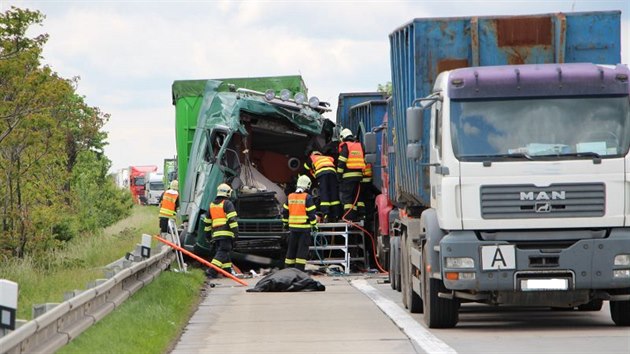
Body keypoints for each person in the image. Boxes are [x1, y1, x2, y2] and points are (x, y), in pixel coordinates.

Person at [281, 175, 318, 271]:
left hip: (293, 229)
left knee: (291, 250)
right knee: (302, 251)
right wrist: (314, 226)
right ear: (307, 186)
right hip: (304, 229)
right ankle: (299, 272)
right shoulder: (307, 197)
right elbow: (311, 214)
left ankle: (288, 270)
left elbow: (285, 213)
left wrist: (285, 225)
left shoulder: (290, 196)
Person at [203, 183, 239, 278]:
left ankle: (227, 272)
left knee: (225, 253)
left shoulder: (211, 205)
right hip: (226, 233)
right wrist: (236, 233)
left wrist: (208, 236)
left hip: (216, 234)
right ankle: (211, 271)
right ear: (227, 193)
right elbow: (232, 219)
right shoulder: (227, 203)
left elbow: (207, 222)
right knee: (223, 251)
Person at [336, 128, 366, 221]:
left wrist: (339, 176)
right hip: (359, 177)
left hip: (348, 177)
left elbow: (341, 162)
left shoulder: (346, 146)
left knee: (348, 197)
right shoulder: (359, 145)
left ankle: (349, 217)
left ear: (343, 137)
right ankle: (361, 215)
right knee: (358, 197)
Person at [303, 150, 341, 222]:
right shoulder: (328, 158)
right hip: (332, 173)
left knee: (324, 192)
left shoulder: (312, 158)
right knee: (333, 192)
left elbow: (305, 168)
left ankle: (326, 213)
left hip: (322, 174)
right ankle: (336, 214)